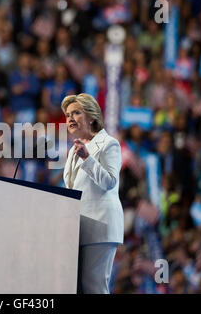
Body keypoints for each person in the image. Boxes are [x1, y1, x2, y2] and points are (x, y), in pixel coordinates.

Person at [61, 93, 124, 294]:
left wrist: (87, 158)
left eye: (76, 113)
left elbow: (110, 181)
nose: (70, 118)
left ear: (91, 117)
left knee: (94, 289)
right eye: (68, 114)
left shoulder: (109, 144)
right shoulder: (73, 150)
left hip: (100, 225)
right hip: (78, 228)